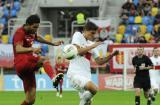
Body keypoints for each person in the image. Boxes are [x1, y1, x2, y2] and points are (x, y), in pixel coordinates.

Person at [12, 14, 64, 105]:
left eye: (37, 27)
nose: (36, 29)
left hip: (27, 68)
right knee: (44, 59)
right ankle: (53, 78)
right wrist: (32, 49)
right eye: (34, 27)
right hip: (21, 62)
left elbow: (38, 37)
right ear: (28, 24)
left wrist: (53, 43)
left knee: (30, 100)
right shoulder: (20, 32)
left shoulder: (31, 32)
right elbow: (18, 49)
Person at [67, 21, 119, 105]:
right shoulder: (78, 35)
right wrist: (93, 46)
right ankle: (83, 101)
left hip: (86, 76)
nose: (93, 36)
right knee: (94, 89)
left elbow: (100, 61)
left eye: (94, 34)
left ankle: (84, 101)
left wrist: (111, 55)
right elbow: (78, 51)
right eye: (92, 33)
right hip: (75, 74)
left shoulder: (92, 44)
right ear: (85, 30)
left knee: (88, 103)